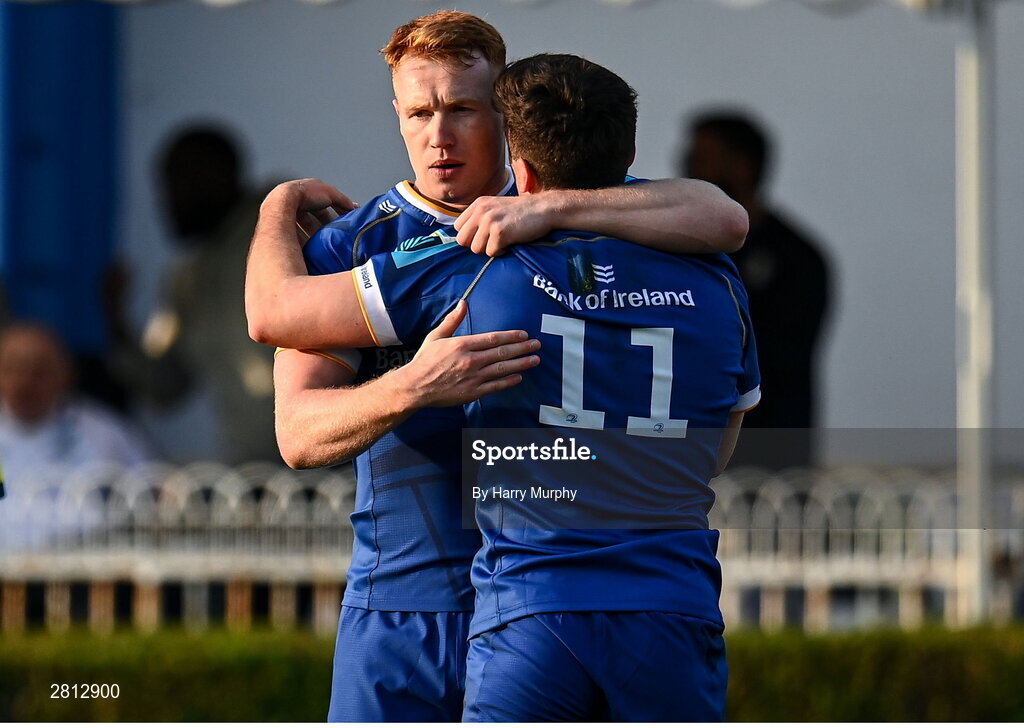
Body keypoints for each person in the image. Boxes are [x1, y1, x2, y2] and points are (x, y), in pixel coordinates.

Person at [245, 11, 748, 722]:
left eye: (463, 110)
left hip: (538, 603)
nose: (439, 134)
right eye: (420, 111)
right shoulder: (352, 249)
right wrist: (411, 386)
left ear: (507, 123)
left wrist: (548, 211)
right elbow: (298, 435)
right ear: (396, 115)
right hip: (408, 603)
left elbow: (721, 216)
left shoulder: (575, 205)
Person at [115, 125, 280, 465]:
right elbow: (164, 387)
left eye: (174, 184)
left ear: (216, 176)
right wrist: (114, 315)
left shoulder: (287, 230)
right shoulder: (188, 279)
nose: (166, 202)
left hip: (330, 467)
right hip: (254, 480)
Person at [683, 110, 830, 468]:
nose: (687, 169)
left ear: (742, 167)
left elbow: (776, 357)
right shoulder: (684, 251)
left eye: (701, 158)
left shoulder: (797, 258)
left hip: (770, 457)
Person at [0, 322, 152, 484]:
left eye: (39, 371)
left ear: (64, 376)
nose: (25, 382)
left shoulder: (102, 432)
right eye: (14, 369)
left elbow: (149, 485)